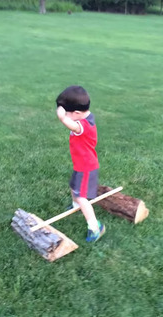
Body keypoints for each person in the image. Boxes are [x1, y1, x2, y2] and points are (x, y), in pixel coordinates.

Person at [56, 85, 105, 242]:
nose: (66, 116)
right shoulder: (84, 118)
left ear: (76, 113)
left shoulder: (83, 125)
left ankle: (95, 227)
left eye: (68, 113)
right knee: (73, 186)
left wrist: (62, 118)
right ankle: (76, 206)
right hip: (81, 165)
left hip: (86, 167)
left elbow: (72, 126)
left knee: (82, 196)